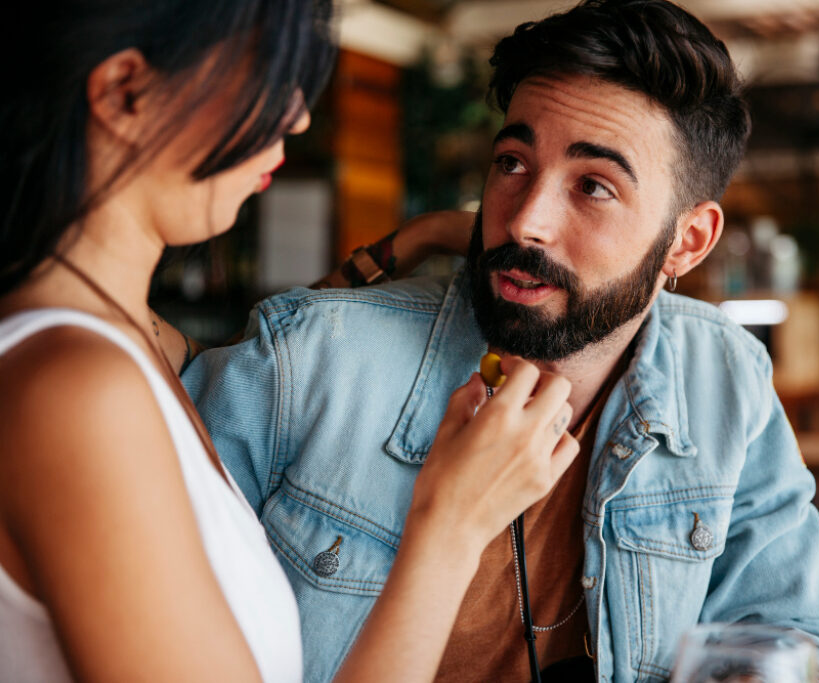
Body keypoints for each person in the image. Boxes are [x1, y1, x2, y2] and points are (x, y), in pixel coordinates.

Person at [185, 0, 819, 680]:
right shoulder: (308, 363)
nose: (526, 221)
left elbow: (803, 639)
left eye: (593, 186)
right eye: (512, 162)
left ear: (686, 242)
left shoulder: (725, 378)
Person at [0, 2, 578, 681]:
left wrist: (419, 239)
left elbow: (281, 334)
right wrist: (450, 525)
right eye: (266, 75)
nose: (297, 115)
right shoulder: (78, 390)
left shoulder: (118, 334)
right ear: (126, 91)